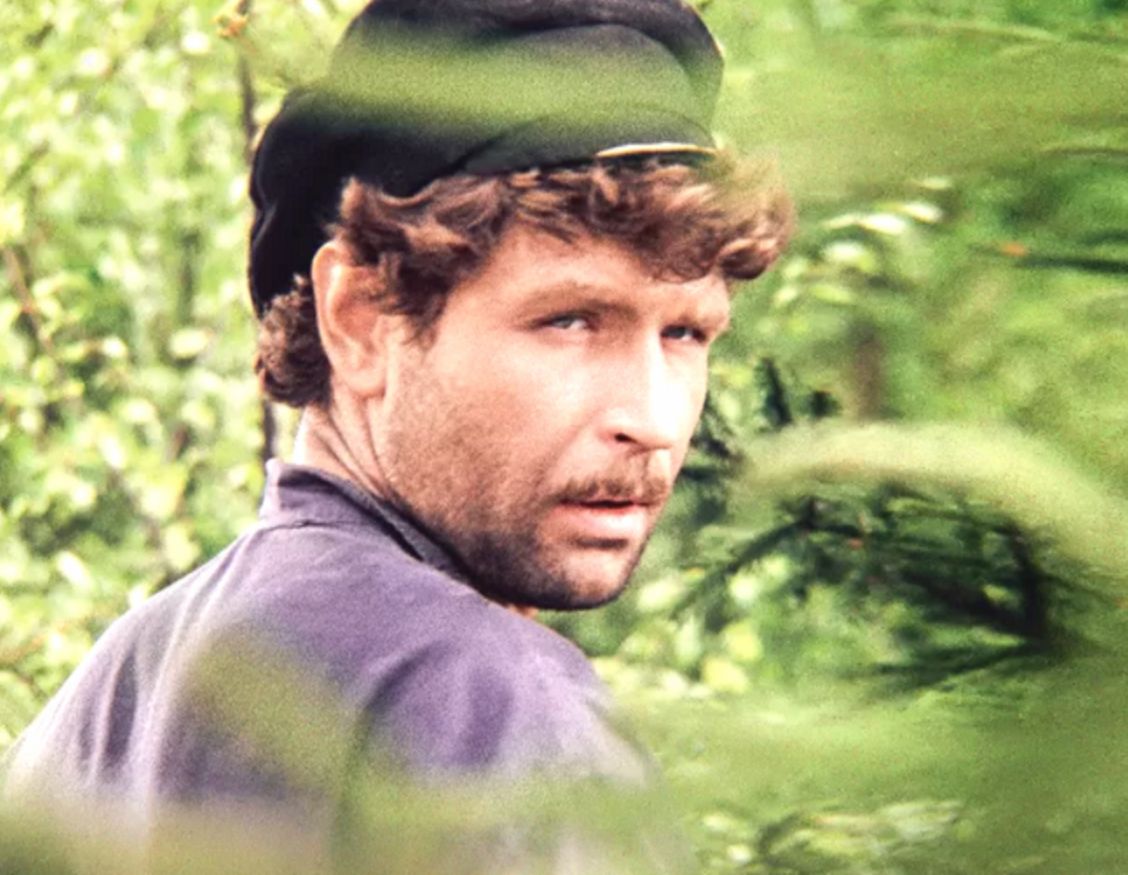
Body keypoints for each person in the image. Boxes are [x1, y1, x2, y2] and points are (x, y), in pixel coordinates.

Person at [3, 0, 791, 867]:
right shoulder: (497, 710)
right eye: (569, 321)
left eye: (685, 333)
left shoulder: (98, 710)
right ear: (361, 321)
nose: (651, 418)